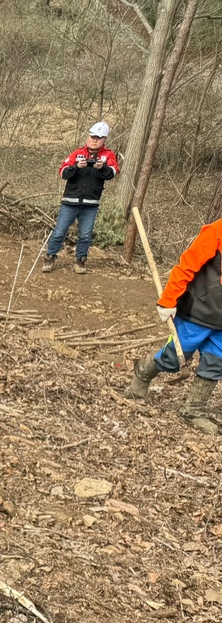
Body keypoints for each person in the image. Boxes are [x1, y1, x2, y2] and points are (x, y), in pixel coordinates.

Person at [125, 217, 222, 434]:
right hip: (196, 311)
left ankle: (194, 410)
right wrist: (168, 300)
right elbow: (186, 266)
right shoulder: (217, 231)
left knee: (217, 362)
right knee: (175, 357)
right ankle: (143, 373)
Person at [42, 121, 118, 275]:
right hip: (70, 201)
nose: (94, 140)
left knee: (85, 235)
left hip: (91, 204)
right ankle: (49, 258)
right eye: (92, 137)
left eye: (98, 138)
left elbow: (113, 172)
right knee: (59, 232)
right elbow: (62, 172)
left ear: (104, 139)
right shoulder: (77, 153)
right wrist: (77, 167)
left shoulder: (108, 155)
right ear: (88, 137)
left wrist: (101, 167)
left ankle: (80, 261)